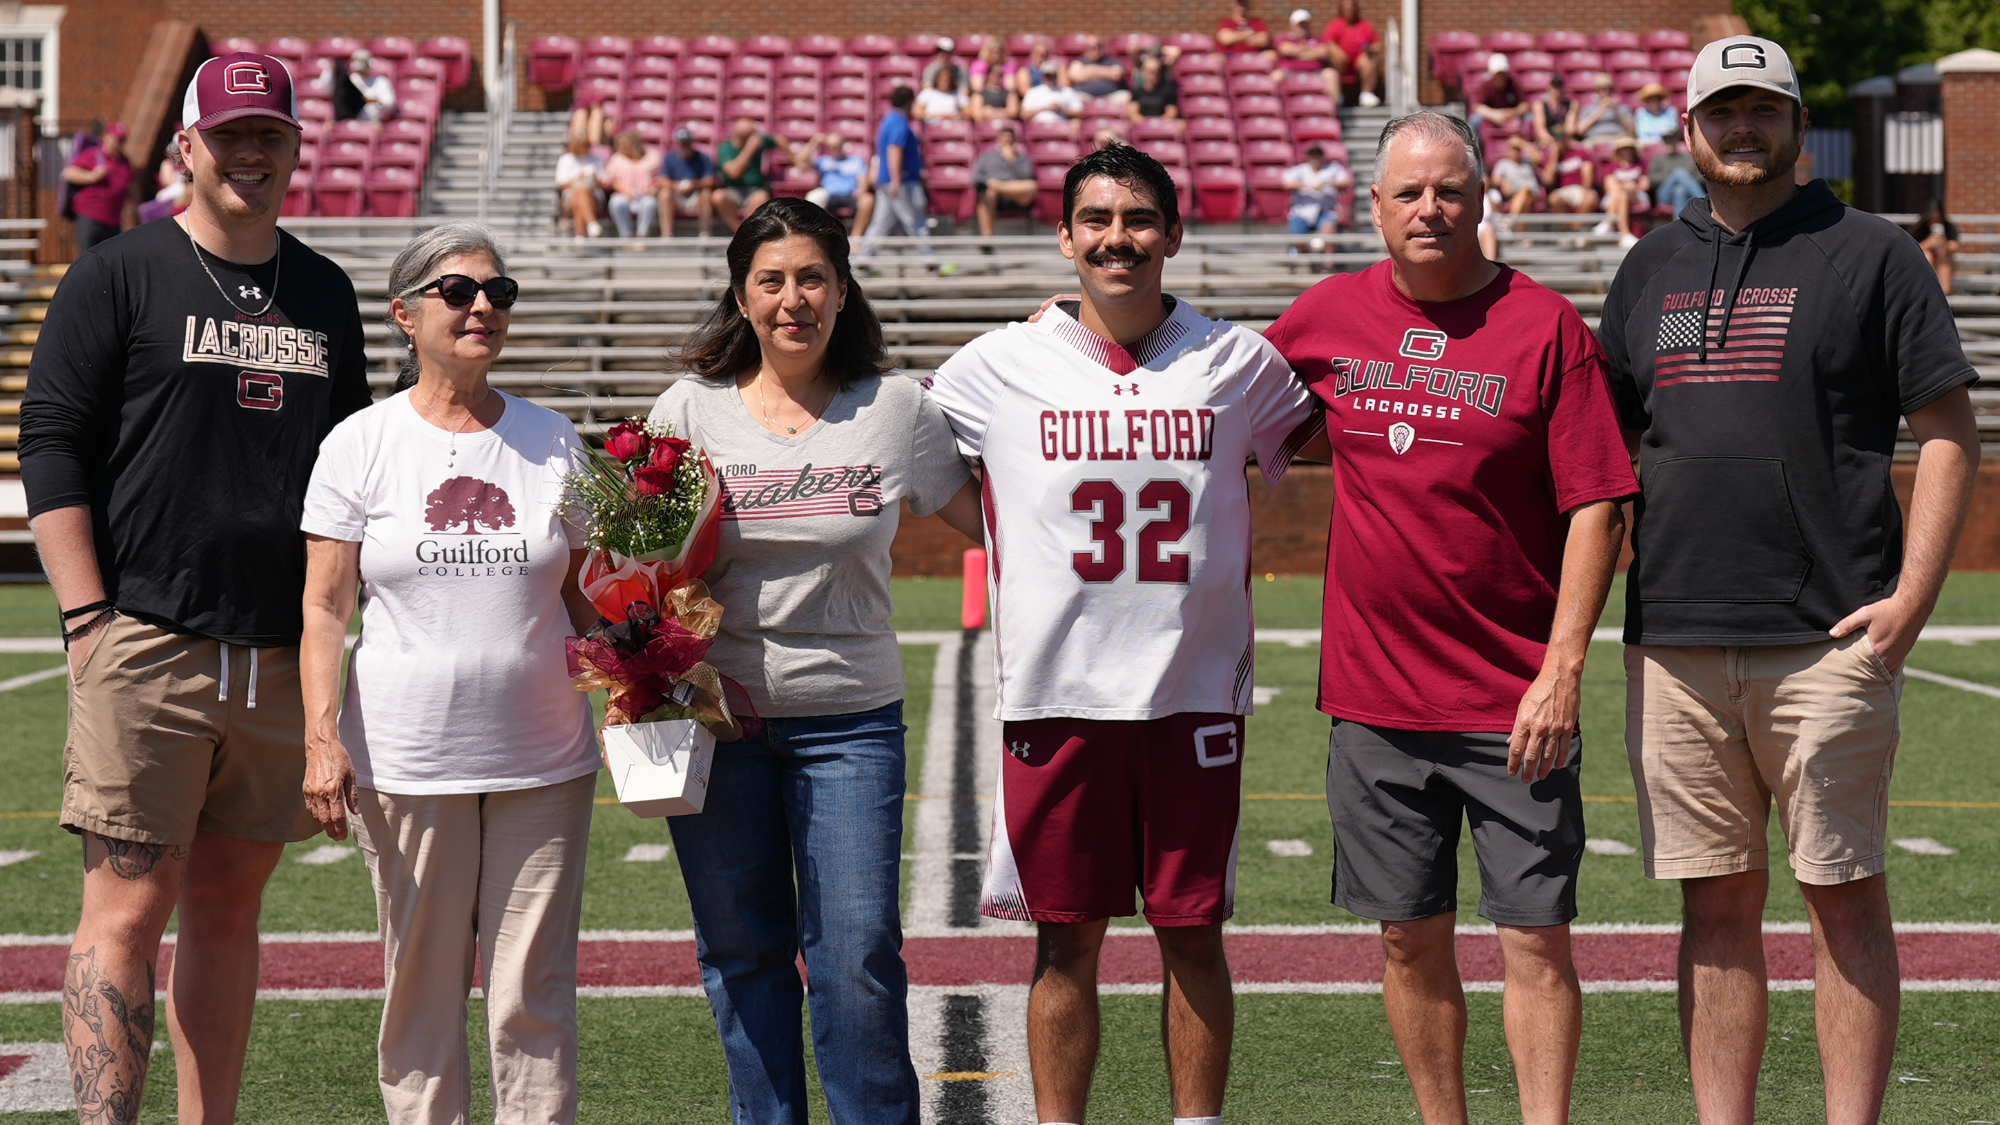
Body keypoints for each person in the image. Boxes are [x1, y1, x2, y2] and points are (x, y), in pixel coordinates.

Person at [1596, 37, 1981, 1125]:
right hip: (1672, 636)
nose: (1741, 128)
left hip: (1826, 636)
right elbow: (1605, 450)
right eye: (1721, 110)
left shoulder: (1869, 252)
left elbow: (1947, 432)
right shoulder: (1647, 265)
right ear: (1689, 129)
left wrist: (1909, 602)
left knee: (1841, 897)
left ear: (1793, 123)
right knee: (1712, 905)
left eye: (1760, 107)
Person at [926, 144, 1325, 1125]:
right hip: (1056, 696)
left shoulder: (1237, 362)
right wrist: (1007, 532)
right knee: (1065, 941)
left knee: (1192, 936)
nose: (1118, 238)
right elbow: (920, 466)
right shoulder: (996, 365)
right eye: (1096, 220)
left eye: (1139, 219)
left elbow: (1319, 439)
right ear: (1063, 237)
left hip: (1190, 696)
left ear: (1173, 235)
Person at [18, 51, 372, 1122]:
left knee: (227, 911)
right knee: (125, 913)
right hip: (150, 638)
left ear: (297, 146)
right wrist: (87, 620)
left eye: (270, 134)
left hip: (272, 649)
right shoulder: (118, 273)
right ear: (187, 147)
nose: (250, 155)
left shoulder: (325, 290)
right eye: (230, 136)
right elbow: (52, 447)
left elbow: (348, 467)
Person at [1264, 109, 1636, 1125]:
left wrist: (1560, 672)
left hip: (1512, 700)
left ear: (1482, 201)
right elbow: (1200, 390)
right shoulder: (1322, 318)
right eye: (1408, 193)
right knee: (1404, 937)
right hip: (1375, 701)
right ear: (1373, 207)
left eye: (1449, 191)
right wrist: (1068, 325)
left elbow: (1597, 504)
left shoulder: (1544, 325)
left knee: (1534, 938)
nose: (1429, 209)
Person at [649, 197, 981, 1125]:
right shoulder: (688, 409)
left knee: (855, 955)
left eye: (810, 278)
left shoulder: (898, 410)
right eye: (771, 281)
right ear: (742, 296)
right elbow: (638, 563)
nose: (792, 299)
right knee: (742, 953)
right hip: (716, 721)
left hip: (851, 723)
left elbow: (1002, 519)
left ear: (841, 289)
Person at [299, 222, 601, 1125]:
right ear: (404, 314)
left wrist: (647, 674)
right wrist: (321, 736)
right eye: (460, 292)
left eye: (498, 293)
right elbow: (323, 606)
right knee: (420, 993)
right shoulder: (359, 442)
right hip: (405, 759)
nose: (482, 307)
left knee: (533, 993)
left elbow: (591, 598)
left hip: (546, 759)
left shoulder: (556, 440)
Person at [857, 86, 934, 262]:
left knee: (880, 224)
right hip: (902, 182)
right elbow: (894, 150)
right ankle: (932, 261)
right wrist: (896, 180)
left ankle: (862, 262)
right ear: (909, 102)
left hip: (888, 181)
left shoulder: (888, 120)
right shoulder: (899, 122)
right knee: (915, 222)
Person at [63, 120, 132, 251]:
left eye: (121, 140)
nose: (118, 143)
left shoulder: (124, 161)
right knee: (89, 258)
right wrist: (91, 176)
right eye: (115, 139)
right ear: (105, 137)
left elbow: (131, 187)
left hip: (113, 221)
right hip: (90, 218)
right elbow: (69, 173)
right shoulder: (92, 155)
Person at [796, 131, 875, 233]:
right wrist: (814, 142)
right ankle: (813, 234)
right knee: (814, 197)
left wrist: (861, 190)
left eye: (837, 145)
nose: (834, 148)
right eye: (831, 146)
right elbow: (800, 162)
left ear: (843, 145)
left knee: (868, 199)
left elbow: (863, 182)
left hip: (850, 195)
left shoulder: (856, 161)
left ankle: (856, 237)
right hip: (829, 195)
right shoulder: (823, 161)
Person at [716, 117, 784, 232]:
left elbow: (779, 139)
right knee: (718, 197)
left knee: (761, 197)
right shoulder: (725, 148)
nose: (755, 138)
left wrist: (794, 158)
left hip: (754, 189)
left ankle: (747, 232)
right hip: (733, 189)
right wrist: (749, 149)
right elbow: (733, 173)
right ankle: (739, 232)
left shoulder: (758, 141)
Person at [973, 124, 1035, 237]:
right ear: (998, 139)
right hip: (994, 195)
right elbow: (976, 177)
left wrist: (1012, 160)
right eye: (1004, 138)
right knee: (989, 192)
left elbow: (1027, 176)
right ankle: (987, 237)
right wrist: (990, 183)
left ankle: (998, 186)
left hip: (1016, 194)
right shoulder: (986, 156)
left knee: (1031, 186)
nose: (1007, 141)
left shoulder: (1022, 158)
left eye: (1009, 138)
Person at [659, 126, 719, 238]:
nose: (684, 146)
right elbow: (661, 180)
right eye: (682, 143)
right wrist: (675, 186)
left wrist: (694, 184)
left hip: (696, 196)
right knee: (664, 194)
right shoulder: (669, 158)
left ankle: (705, 234)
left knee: (706, 193)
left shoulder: (703, 158)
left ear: (691, 143)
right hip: (677, 196)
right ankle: (666, 234)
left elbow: (710, 181)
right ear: (677, 143)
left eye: (686, 143)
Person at [1282, 141, 1350, 236]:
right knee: (1296, 236)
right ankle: (1303, 251)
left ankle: (1330, 251)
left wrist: (1326, 183)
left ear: (1323, 156)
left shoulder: (1333, 168)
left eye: (1318, 155)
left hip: (1326, 211)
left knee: (1328, 230)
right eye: (1313, 155)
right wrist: (1310, 186)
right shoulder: (1299, 170)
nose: (1315, 158)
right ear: (1308, 156)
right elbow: (1287, 184)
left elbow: (1346, 181)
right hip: (1302, 212)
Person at [603, 129, 662, 239]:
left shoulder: (652, 156)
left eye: (625, 143)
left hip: (645, 195)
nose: (622, 147)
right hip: (624, 194)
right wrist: (626, 190)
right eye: (619, 144)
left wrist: (654, 188)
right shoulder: (616, 158)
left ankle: (642, 236)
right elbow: (610, 180)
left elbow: (660, 177)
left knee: (650, 203)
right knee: (616, 203)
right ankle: (626, 236)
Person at [1323, 0, 1383, 107]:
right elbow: (1328, 43)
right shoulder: (1335, 24)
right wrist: (1338, 53)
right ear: (1341, 9)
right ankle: (1337, 95)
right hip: (1341, 63)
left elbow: (1378, 45)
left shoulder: (1364, 25)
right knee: (1334, 60)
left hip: (1359, 64)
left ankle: (1366, 94)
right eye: (1346, 8)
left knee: (1369, 60)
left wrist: (1369, 49)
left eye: (1351, 8)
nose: (1349, 11)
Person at [1272, 8, 1340, 99]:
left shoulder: (1318, 39)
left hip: (1316, 72)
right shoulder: (1284, 38)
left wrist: (1297, 52)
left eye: (1305, 23)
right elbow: (1285, 49)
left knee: (1332, 74)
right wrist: (1310, 51)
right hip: (1289, 72)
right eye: (1300, 24)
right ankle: (1274, 110)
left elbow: (1323, 52)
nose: (1303, 26)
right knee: (1276, 76)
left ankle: (1332, 109)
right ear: (1292, 25)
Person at [1599, 136, 1649, 247]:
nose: (1626, 151)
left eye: (1629, 148)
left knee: (1621, 192)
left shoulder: (1640, 164)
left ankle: (1608, 223)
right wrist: (1625, 185)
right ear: (1618, 151)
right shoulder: (1612, 166)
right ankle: (1625, 234)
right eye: (1624, 148)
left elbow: (1645, 185)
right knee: (1622, 195)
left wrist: (1632, 186)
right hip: (1617, 195)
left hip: (1636, 195)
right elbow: (1609, 185)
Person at [554, 135, 604, 240]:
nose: (586, 147)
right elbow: (561, 185)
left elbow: (604, 183)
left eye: (587, 144)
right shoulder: (566, 159)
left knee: (580, 195)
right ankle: (592, 223)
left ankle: (580, 236)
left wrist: (595, 180)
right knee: (580, 192)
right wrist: (576, 179)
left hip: (593, 196)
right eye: (583, 145)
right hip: (570, 198)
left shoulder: (597, 159)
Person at [1647, 131, 1704, 216]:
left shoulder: (1688, 158)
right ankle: (1702, 200)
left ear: (1677, 142)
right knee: (1678, 173)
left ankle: (1680, 225)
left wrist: (1684, 178)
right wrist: (1672, 177)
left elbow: (1700, 177)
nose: (1669, 144)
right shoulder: (1658, 159)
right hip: (1664, 194)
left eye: (1671, 141)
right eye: (1666, 142)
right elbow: (1652, 179)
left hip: (1686, 191)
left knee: (1679, 191)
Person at [1910, 199, 1960, 295]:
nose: (1935, 222)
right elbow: (1911, 248)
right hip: (1928, 260)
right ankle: (1929, 287)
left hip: (1943, 260)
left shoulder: (1948, 226)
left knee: (1944, 255)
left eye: (1938, 219)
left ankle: (1945, 290)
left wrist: (1945, 245)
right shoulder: (1920, 228)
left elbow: (1955, 246)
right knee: (1927, 254)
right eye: (1932, 219)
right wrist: (1928, 243)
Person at [1488, 134, 1543, 217]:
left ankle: (1510, 222)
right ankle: (1519, 229)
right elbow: (1494, 179)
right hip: (1514, 196)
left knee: (1525, 190)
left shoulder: (1527, 161)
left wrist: (1522, 144)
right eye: (1512, 149)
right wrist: (1503, 181)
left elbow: (1539, 158)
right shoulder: (1503, 163)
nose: (1514, 152)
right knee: (1525, 201)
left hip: (1533, 194)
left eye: (1517, 149)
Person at [1542, 137, 1598, 217]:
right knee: (1554, 199)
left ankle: (1575, 227)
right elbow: (1548, 181)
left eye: (1561, 139)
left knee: (1589, 199)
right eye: (1556, 140)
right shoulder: (1552, 158)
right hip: (1563, 191)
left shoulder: (1580, 152)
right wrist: (1554, 157)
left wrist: (1587, 189)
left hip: (1581, 188)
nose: (1559, 143)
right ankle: (1569, 228)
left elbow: (1588, 171)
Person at [1566, 72, 1631, 141]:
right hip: (1595, 140)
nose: (1607, 92)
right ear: (1597, 91)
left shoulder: (1622, 108)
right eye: (1603, 89)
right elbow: (1580, 131)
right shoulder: (1588, 109)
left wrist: (1616, 111)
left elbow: (1631, 131)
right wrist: (1599, 111)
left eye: (1609, 88)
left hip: (1619, 139)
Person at [1470, 54, 1526, 128]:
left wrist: (1514, 112)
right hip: (1491, 116)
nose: (1500, 76)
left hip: (1512, 116)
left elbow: (1525, 105)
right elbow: (1477, 106)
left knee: (1529, 118)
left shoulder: (1514, 84)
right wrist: (1494, 114)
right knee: (1475, 119)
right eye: (1498, 73)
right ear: (1492, 73)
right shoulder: (1485, 85)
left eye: (1502, 73)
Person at [1068, 35, 1129, 102]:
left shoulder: (1112, 61)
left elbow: (1117, 75)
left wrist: (1091, 71)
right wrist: (1106, 73)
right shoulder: (1078, 62)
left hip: (1112, 96)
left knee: (1126, 96)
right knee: (1074, 98)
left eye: (1098, 46)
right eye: (1092, 47)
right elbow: (1078, 76)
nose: (1095, 49)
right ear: (1085, 48)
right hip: (1085, 96)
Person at [969, 45, 1021, 122]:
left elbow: (1013, 112)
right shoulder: (979, 94)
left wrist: (990, 112)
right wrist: (1004, 112)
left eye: (999, 75)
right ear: (988, 75)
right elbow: (977, 114)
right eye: (994, 74)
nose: (996, 77)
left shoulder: (1009, 94)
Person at [1128, 52, 1180, 120]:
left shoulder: (1168, 91)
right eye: (1150, 72)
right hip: (1142, 126)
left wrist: (1157, 124)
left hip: (1162, 126)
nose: (1153, 75)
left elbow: (1172, 112)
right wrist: (1146, 123)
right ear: (1144, 73)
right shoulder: (1137, 91)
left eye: (1157, 71)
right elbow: (1133, 112)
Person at [348, 50, 397, 122]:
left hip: (374, 122)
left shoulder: (380, 81)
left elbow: (390, 104)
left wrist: (375, 100)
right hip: (353, 122)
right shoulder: (350, 80)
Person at [1530, 73, 1571, 146]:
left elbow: (1570, 129)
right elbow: (1540, 130)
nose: (1557, 90)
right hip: (1547, 141)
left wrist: (1562, 142)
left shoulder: (1571, 104)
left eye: (1559, 87)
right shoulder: (1540, 105)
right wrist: (1553, 142)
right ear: (1549, 88)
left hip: (1565, 141)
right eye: (1555, 87)